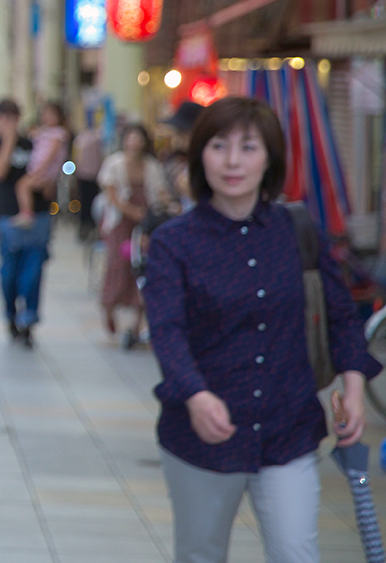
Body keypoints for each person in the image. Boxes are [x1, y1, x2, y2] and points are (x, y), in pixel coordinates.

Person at [143, 96, 382, 563]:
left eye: (248, 147)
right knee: (200, 555)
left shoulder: (297, 230)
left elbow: (341, 317)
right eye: (218, 146)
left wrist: (354, 389)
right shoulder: (174, 242)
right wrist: (195, 394)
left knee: (297, 552)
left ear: (269, 157)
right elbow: (167, 330)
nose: (233, 161)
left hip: (287, 430)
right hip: (202, 438)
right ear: (199, 156)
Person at [0, 98, 51, 347]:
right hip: (8, 217)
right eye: (4, 117)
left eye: (14, 117)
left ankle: (29, 320)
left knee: (33, 273)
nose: (10, 123)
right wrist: (9, 141)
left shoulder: (33, 144)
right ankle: (11, 315)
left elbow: (47, 173)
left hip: (38, 218)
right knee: (9, 274)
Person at [97, 124, 171, 344]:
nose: (134, 143)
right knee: (117, 266)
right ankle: (109, 307)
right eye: (131, 138)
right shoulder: (114, 164)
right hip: (120, 223)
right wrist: (131, 211)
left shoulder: (152, 166)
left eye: (138, 139)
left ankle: (137, 323)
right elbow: (111, 195)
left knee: (142, 269)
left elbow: (159, 193)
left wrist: (165, 205)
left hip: (145, 225)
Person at [14, 102, 70, 227]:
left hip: (44, 170)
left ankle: (26, 214)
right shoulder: (45, 132)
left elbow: (51, 155)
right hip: (41, 169)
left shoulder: (58, 134)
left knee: (22, 186)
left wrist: (40, 170)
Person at [73, 123, 104, 240]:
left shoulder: (97, 137)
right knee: (84, 202)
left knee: (92, 202)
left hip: (94, 175)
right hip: (84, 175)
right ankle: (85, 227)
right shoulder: (82, 138)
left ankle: (91, 227)